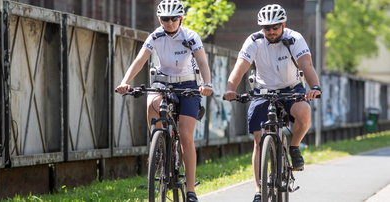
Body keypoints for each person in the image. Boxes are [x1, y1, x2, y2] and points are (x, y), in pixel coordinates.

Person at [222, 4, 322, 202]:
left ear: (283, 24)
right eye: (267, 28)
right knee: (259, 141)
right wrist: (230, 89)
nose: (271, 31)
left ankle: (293, 146)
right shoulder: (254, 41)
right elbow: (240, 68)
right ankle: (259, 190)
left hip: (291, 88)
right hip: (263, 90)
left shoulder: (295, 39)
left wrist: (315, 87)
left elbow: (306, 64)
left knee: (304, 113)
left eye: (275, 27)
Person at [115, 0, 213, 201]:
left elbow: (202, 61)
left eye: (173, 19)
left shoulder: (191, 37)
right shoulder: (155, 36)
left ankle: (191, 189)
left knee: (186, 135)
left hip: (188, 84)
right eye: (164, 19)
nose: (168, 23)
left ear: (181, 19)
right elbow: (140, 60)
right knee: (151, 103)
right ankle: (158, 144)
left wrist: (208, 84)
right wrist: (125, 82)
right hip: (162, 82)